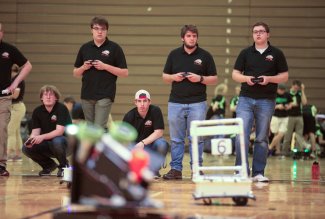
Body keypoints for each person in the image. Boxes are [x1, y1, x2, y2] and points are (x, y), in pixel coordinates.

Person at [232, 22, 289, 182]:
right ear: (252, 35)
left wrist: (269, 79)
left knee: (261, 138)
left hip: (266, 100)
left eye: (261, 31)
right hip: (245, 99)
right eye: (255, 32)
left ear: (268, 34)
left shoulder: (276, 53)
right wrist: (246, 79)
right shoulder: (245, 53)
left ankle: (258, 173)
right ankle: (241, 171)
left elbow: (284, 76)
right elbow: (235, 75)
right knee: (240, 135)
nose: (258, 34)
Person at [162, 24, 218, 180]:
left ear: (197, 38)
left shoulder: (205, 56)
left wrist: (199, 78)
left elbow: (214, 79)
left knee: (197, 138)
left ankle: (197, 169)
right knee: (176, 139)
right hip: (175, 103)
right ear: (182, 38)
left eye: (194, 36)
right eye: (189, 36)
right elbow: (165, 77)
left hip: (197, 103)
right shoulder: (174, 55)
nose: (192, 38)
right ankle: (176, 170)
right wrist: (174, 77)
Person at [73, 16, 128, 130]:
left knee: (99, 128)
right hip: (87, 94)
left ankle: (99, 146)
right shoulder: (85, 48)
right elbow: (76, 73)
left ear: (106, 31)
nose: (99, 31)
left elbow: (124, 72)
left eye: (103, 29)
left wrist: (105, 66)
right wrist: (83, 67)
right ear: (91, 30)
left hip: (105, 95)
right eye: (96, 28)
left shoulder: (114, 48)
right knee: (90, 128)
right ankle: (93, 148)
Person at [0, 22, 32, 176]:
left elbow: (27, 66)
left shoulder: (9, 49)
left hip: (3, 98)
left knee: (2, 131)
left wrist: (15, 83)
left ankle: (1, 164)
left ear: (2, 33)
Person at [22, 85, 72, 177]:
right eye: (45, 95)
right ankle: (48, 165)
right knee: (26, 148)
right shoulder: (37, 111)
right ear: (41, 98)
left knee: (57, 140)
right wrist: (31, 140)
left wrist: (42, 137)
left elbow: (59, 132)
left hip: (66, 143)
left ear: (56, 97)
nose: (48, 97)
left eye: (51, 95)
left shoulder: (61, 108)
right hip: (48, 144)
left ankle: (64, 166)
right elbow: (35, 132)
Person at [122, 89, 169, 177]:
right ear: (135, 102)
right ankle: (134, 169)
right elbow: (124, 138)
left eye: (145, 101)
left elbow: (159, 132)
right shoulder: (129, 116)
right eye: (139, 101)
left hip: (151, 144)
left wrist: (143, 143)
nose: (142, 104)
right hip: (135, 147)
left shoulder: (155, 111)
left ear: (149, 102)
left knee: (162, 144)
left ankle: (155, 170)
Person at [282, 80, 307, 157]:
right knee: (288, 135)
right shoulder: (287, 94)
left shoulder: (299, 94)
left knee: (299, 135)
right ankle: (285, 152)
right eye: (295, 86)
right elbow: (284, 104)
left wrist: (302, 90)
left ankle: (299, 152)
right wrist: (290, 105)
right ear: (292, 86)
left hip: (299, 116)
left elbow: (304, 102)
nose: (296, 88)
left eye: (297, 87)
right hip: (289, 117)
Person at [7, 64, 26, 161]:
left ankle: (9, 153)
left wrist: (3, 96)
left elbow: (15, 96)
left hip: (17, 108)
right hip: (13, 107)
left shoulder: (18, 80)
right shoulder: (11, 80)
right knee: (15, 131)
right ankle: (18, 153)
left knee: (9, 130)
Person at [268, 83, 292, 156]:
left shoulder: (287, 95)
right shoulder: (273, 95)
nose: (282, 91)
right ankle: (278, 151)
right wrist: (278, 106)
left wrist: (288, 106)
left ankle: (270, 147)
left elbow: (291, 103)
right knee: (276, 134)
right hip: (275, 116)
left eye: (283, 90)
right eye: (280, 90)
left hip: (285, 116)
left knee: (281, 133)